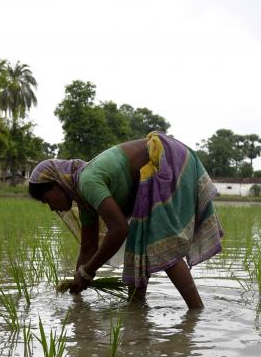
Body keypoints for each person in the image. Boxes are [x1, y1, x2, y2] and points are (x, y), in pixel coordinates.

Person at [28, 132, 223, 309]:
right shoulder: (84, 199)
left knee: (163, 244)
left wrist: (88, 272)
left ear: (56, 184)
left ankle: (196, 310)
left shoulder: (88, 181)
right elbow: (88, 246)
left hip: (166, 160)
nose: (52, 207)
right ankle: (137, 308)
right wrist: (76, 286)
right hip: (156, 169)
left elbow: (119, 230)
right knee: (138, 244)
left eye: (47, 200)